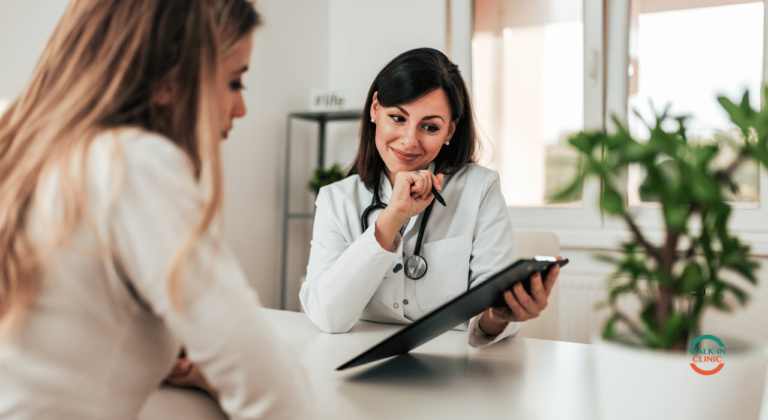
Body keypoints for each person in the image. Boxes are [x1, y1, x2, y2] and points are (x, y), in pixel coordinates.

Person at [0, 1, 312, 419]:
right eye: (235, 83)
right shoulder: (132, 164)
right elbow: (276, 395)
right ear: (169, 80)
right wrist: (214, 368)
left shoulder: (16, 136)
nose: (241, 109)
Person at [300, 48, 560, 347]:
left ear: (450, 130)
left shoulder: (479, 189)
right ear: (375, 109)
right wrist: (392, 218)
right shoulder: (336, 200)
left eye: (430, 127)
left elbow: (487, 313)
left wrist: (500, 315)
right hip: (357, 357)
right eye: (397, 117)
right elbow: (328, 317)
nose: (410, 141)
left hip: (456, 366)